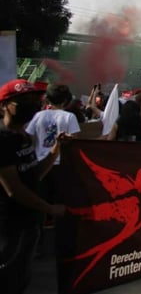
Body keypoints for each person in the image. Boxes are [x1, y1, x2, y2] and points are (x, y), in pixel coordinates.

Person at [0, 79, 67, 294]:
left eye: (34, 100)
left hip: (29, 222)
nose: (32, 105)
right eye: (23, 101)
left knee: (21, 277)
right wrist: (49, 209)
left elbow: (34, 174)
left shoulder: (24, 137)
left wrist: (55, 151)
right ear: (4, 105)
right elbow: (14, 189)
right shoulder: (2, 140)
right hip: (8, 224)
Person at [24, 84, 80, 222]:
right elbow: (75, 140)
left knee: (41, 196)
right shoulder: (69, 117)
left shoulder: (38, 115)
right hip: (61, 163)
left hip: (39, 164)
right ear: (66, 100)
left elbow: (29, 136)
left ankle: (43, 223)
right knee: (59, 197)